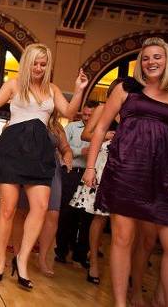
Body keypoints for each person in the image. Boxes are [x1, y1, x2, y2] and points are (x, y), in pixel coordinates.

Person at [0, 43, 88, 289]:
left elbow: (69, 112)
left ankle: (21, 260)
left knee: (41, 207)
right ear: (27, 63)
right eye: (35, 63)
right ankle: (1, 260)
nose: (39, 68)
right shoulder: (13, 84)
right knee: (8, 209)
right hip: (13, 148)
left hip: (41, 150)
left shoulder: (52, 89)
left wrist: (78, 90)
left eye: (43, 64)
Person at [83, 38, 168, 307]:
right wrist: (90, 167)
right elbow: (99, 129)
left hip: (164, 178)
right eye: (146, 58)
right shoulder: (126, 89)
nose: (151, 62)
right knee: (122, 237)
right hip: (126, 170)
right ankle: (121, 303)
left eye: (157, 57)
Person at [70, 78, 123, 285]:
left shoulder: (134, 109)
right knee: (99, 217)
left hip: (126, 165)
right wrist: (107, 135)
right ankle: (93, 261)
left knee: (121, 221)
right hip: (103, 163)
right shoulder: (103, 108)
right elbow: (86, 134)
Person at [12, 109, 72, 277]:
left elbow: (65, 147)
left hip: (51, 169)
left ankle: (43, 259)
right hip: (27, 165)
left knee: (52, 213)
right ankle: (18, 254)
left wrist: (67, 155)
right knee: (22, 211)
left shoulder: (56, 127)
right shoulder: (24, 118)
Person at [54, 101, 97, 267]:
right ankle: (62, 251)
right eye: (84, 115)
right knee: (66, 213)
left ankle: (80, 254)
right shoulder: (71, 127)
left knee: (87, 216)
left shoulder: (100, 130)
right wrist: (81, 151)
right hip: (71, 173)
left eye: (90, 115)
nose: (86, 118)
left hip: (90, 176)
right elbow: (63, 148)